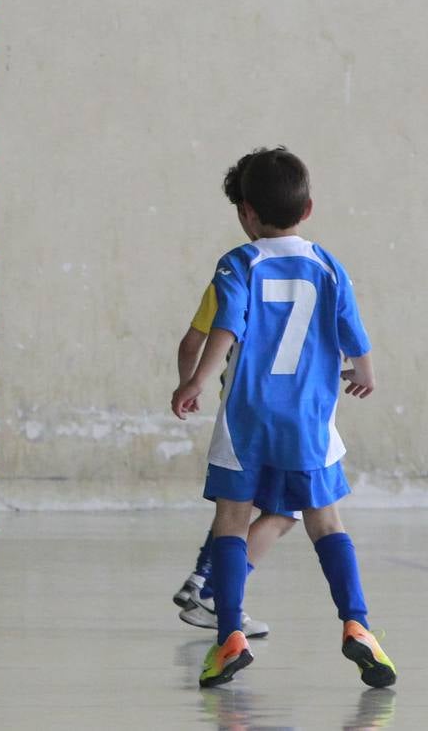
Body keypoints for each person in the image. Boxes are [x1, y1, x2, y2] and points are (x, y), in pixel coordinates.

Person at [172, 147, 395, 689]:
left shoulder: (239, 262)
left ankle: (229, 636)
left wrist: (196, 381)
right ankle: (358, 626)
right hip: (309, 421)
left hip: (247, 418)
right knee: (324, 521)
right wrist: (364, 372)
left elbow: (226, 324)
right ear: (308, 207)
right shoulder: (327, 265)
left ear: (246, 212)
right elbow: (354, 332)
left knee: (232, 518)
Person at [172, 153, 298, 638]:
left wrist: (192, 383)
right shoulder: (314, 269)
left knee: (236, 504)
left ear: (245, 211)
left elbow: (192, 341)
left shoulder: (232, 271)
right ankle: (218, 592)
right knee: (285, 509)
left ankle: (204, 579)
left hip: (238, 402)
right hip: (286, 405)